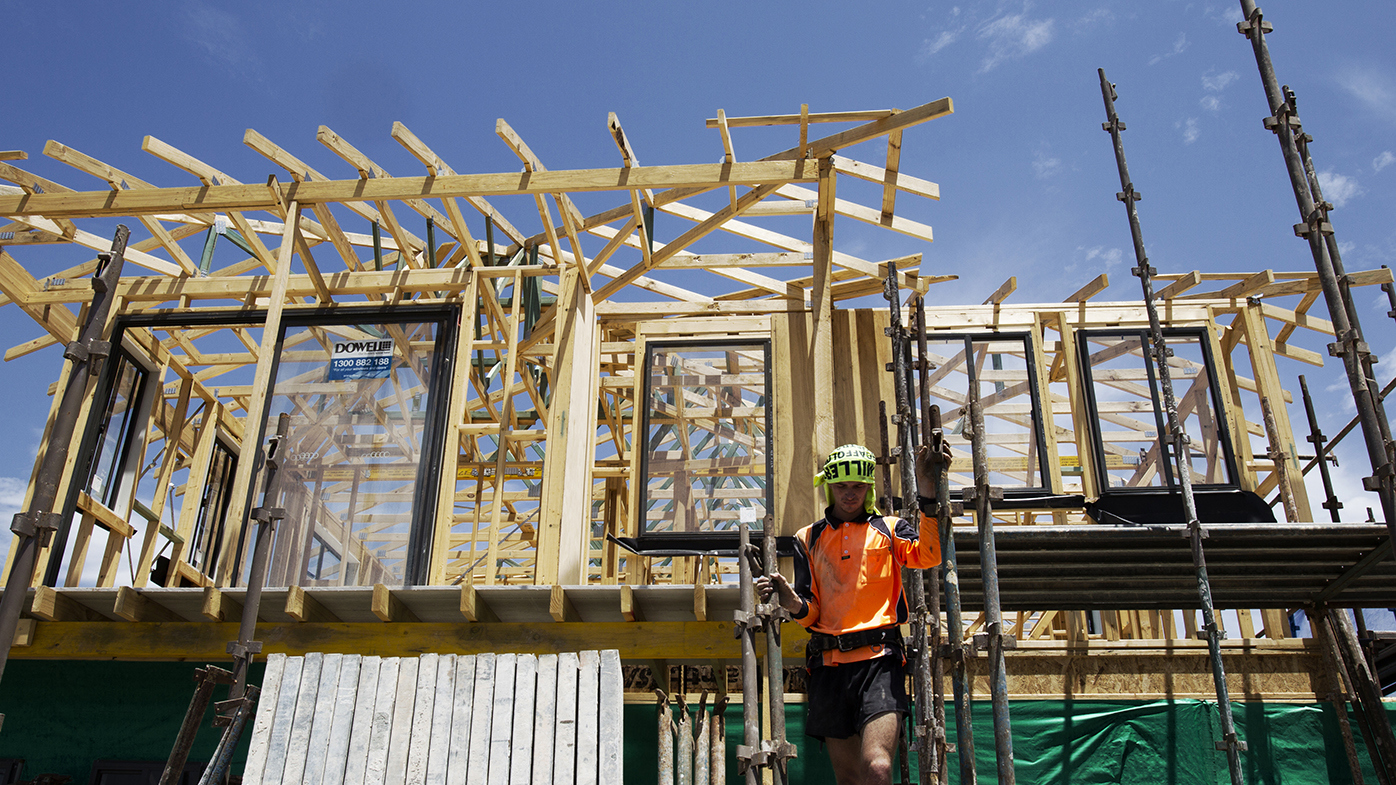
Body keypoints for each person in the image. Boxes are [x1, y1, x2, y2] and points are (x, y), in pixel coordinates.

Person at [756, 441, 949, 785]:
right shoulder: (807, 538)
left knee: (877, 767)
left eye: (858, 486)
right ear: (828, 486)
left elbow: (930, 555)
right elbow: (810, 614)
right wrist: (789, 601)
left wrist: (927, 490)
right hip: (829, 667)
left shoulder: (889, 529)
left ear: (869, 486)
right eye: (841, 486)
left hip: (880, 663)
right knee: (848, 779)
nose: (849, 494)